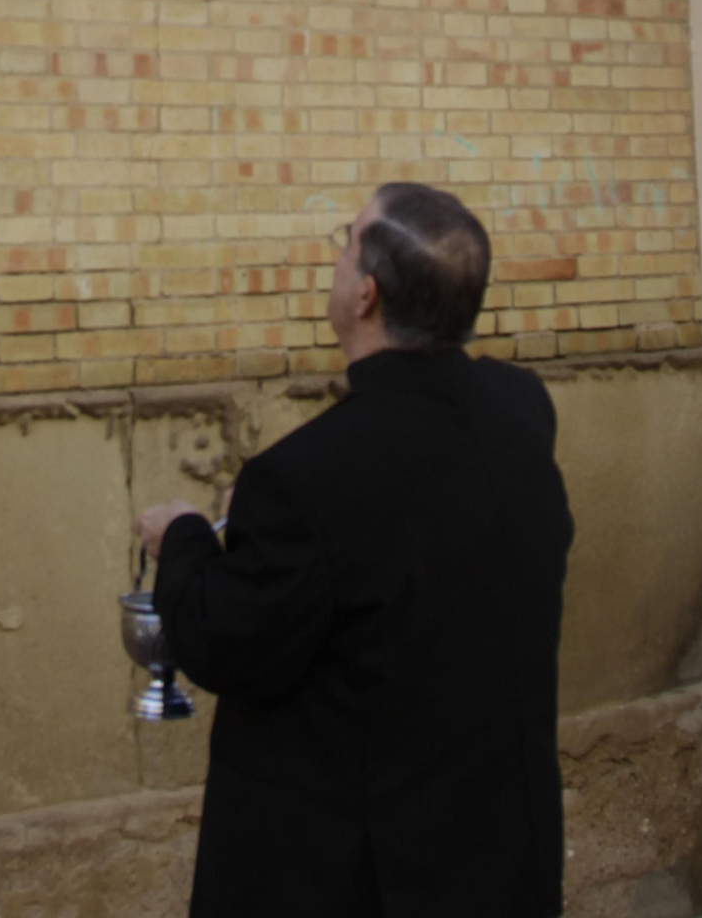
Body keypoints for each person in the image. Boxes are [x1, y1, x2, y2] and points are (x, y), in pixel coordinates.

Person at [135, 184, 574, 918]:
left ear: (366, 294)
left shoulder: (302, 480)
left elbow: (223, 641)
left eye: (346, 243)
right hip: (496, 861)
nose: (336, 260)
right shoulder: (519, 410)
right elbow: (401, 525)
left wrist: (181, 537)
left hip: (366, 879)